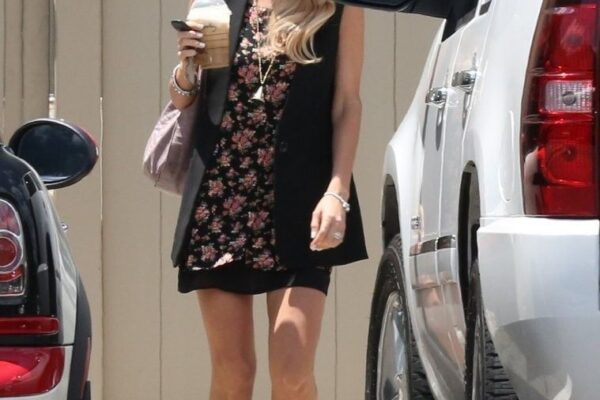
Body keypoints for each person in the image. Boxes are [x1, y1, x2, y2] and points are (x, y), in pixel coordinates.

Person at [167, 0, 368, 398]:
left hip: (301, 203)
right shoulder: (217, 2)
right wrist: (185, 69)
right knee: (233, 372)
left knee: (292, 374)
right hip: (222, 199)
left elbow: (348, 103)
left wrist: (337, 190)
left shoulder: (338, 6)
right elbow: (188, 98)